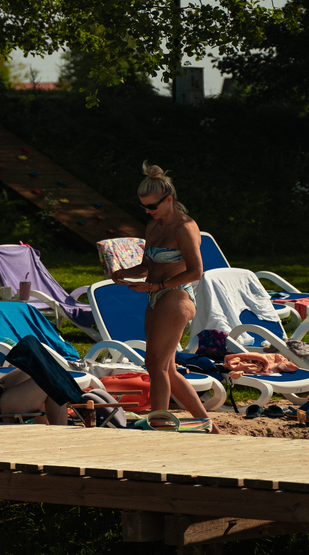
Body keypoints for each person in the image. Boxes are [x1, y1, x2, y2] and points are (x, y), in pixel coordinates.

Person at [109, 162, 215, 429]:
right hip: (156, 296)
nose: (148, 210)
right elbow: (147, 266)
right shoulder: (153, 226)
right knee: (167, 369)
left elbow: (196, 271)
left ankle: (158, 424)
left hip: (176, 296)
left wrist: (155, 287)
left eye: (152, 206)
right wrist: (124, 273)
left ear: (168, 199)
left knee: (155, 365)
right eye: (144, 206)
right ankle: (209, 424)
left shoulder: (184, 227)